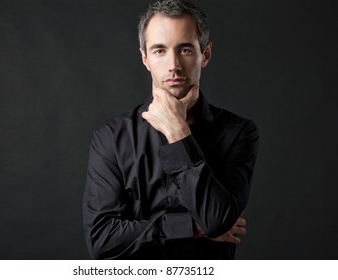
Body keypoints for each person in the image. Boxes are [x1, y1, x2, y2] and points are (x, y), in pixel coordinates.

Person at [83, 0, 259, 259]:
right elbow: (101, 240)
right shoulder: (111, 136)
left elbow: (217, 221)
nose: (173, 64)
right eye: (159, 50)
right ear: (145, 59)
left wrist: (178, 132)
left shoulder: (238, 132)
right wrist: (191, 228)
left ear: (205, 55)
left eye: (185, 49)